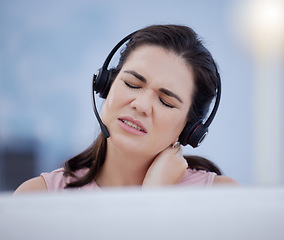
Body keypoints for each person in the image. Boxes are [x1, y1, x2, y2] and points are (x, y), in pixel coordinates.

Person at [14, 24, 238, 194]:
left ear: (191, 129)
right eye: (132, 84)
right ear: (106, 86)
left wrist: (156, 197)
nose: (140, 105)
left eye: (166, 101)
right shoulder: (39, 195)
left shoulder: (220, 196)